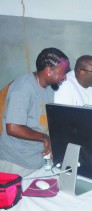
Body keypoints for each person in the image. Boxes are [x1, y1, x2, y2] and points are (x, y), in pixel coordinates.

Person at [0, 47, 70, 177]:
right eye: (63, 72)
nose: (65, 77)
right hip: (17, 164)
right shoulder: (23, 88)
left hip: (37, 160)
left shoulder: (49, 88)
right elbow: (13, 128)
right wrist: (44, 138)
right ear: (49, 70)